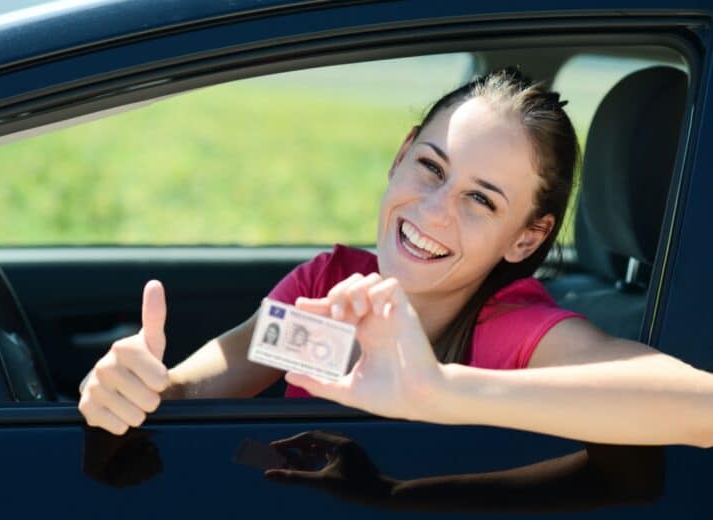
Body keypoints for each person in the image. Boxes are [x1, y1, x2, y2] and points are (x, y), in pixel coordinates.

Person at [77, 69, 713, 447]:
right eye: (430, 167)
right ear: (401, 153)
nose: (433, 210)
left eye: (480, 201)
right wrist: (129, 386)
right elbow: (194, 388)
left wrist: (438, 391)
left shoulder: (512, 331)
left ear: (526, 237)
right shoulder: (329, 287)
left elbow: (701, 407)